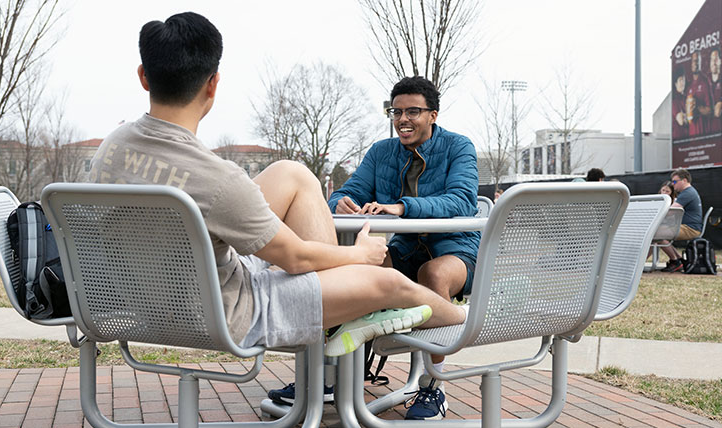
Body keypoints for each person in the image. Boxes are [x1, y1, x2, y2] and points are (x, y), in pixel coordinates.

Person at [89, 13, 468, 363]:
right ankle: (465, 320)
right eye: (398, 112)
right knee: (388, 280)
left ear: (143, 76)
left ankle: (339, 322)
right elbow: (297, 260)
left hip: (149, 299)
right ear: (213, 83)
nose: (402, 119)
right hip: (232, 310)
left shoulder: (110, 148)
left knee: (292, 172)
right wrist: (362, 255)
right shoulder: (217, 179)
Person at [326, 76, 480, 420]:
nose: (402, 119)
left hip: (457, 249)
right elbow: (346, 191)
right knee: (352, 273)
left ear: (433, 115)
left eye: (413, 111)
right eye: (396, 112)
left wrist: (401, 206)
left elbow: (461, 199)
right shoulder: (382, 152)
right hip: (406, 247)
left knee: (433, 273)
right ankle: (332, 376)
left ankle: (431, 387)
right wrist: (343, 203)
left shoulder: (459, 146)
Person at [659, 168, 703, 272]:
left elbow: (670, 212)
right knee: (657, 233)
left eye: (675, 181)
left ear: (684, 180)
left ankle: (675, 261)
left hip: (690, 229)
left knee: (657, 234)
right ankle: (679, 259)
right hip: (688, 227)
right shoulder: (688, 192)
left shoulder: (687, 193)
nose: (673, 184)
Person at [686, 51, 713, 137]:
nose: (695, 63)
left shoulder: (705, 81)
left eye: (697, 61)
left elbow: (710, 110)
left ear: (700, 63)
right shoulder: (689, 86)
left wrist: (696, 108)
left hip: (704, 136)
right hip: (692, 137)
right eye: (693, 61)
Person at [672, 65, 689, 140]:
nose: (682, 83)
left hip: (689, 139)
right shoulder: (674, 100)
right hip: (679, 141)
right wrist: (691, 116)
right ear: (675, 83)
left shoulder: (687, 98)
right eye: (680, 80)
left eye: (684, 80)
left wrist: (685, 116)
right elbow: (681, 121)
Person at [710, 47, 722, 134]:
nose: (714, 62)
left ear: (720, 61)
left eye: (716, 58)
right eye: (712, 59)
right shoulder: (705, 82)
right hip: (706, 135)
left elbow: (717, 112)